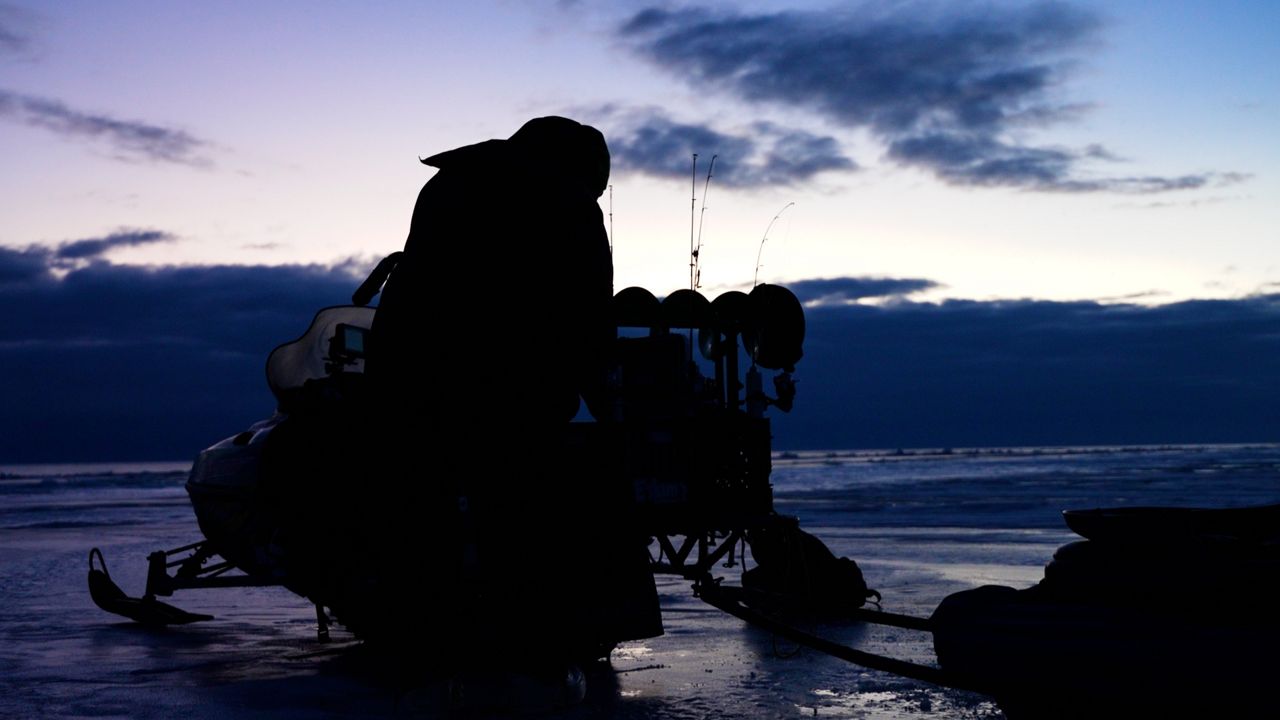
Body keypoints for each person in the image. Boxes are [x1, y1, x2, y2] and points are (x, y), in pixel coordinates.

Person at [363, 117, 661, 669]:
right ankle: (523, 646)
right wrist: (608, 406)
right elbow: (589, 314)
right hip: (511, 394)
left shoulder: (450, 184)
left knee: (423, 515)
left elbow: (414, 290)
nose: (597, 192)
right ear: (583, 169)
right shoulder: (568, 204)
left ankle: (423, 640)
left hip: (411, 381)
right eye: (598, 181)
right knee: (514, 516)